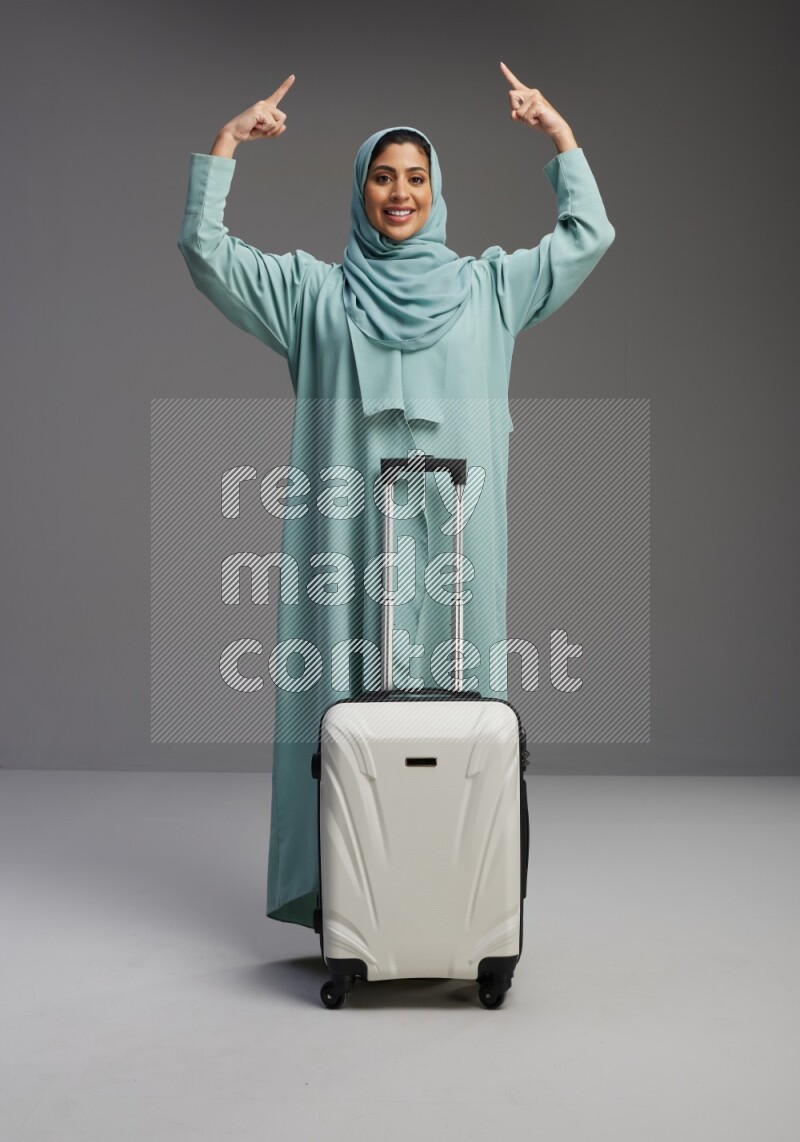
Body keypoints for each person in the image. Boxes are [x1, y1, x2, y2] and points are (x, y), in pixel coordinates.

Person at [177, 63, 615, 930]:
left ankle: (457, 908)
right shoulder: (314, 295)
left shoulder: (490, 289)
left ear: (436, 190)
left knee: (462, 720)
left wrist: (559, 135)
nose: (401, 193)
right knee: (342, 716)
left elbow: (587, 235)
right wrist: (226, 144)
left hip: (456, 556)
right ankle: (351, 908)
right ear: (362, 191)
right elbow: (207, 252)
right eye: (383, 177)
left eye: (416, 177)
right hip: (347, 554)